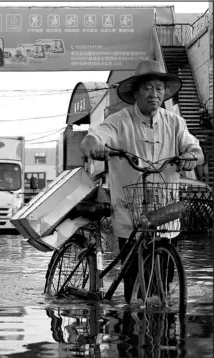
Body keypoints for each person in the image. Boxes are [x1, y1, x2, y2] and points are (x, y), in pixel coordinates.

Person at [80, 59, 204, 303]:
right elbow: (90, 139)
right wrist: (96, 147)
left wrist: (191, 157)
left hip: (166, 212)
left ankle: (162, 331)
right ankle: (131, 334)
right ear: (135, 92)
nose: (154, 94)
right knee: (133, 288)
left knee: (165, 286)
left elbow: (197, 151)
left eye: (159, 88)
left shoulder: (175, 122)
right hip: (131, 211)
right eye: (147, 88)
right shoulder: (119, 121)